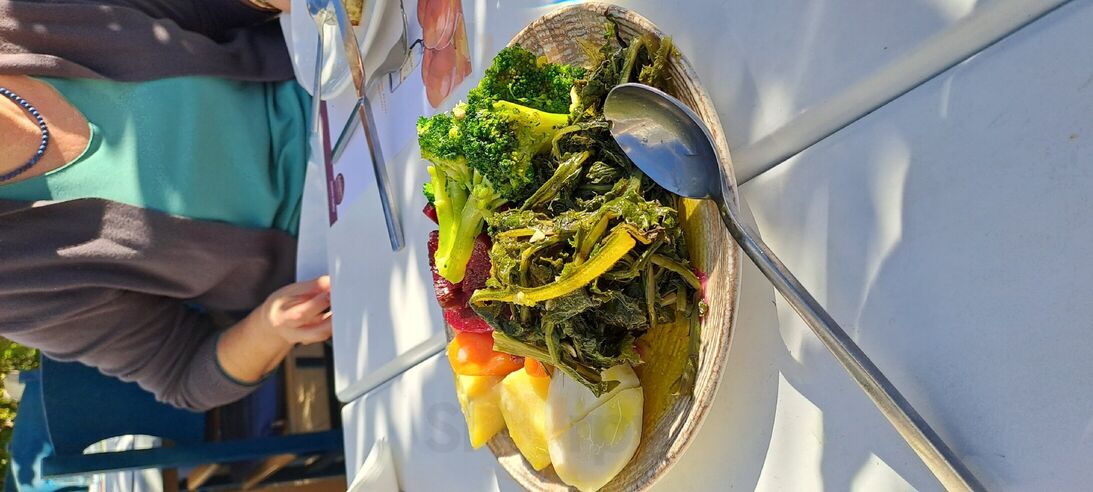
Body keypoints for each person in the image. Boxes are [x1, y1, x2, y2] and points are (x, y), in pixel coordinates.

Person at [0, 0, 331, 411]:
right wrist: (271, 328)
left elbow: (216, 9)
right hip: (346, 231)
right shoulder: (11, 284)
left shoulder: (21, 16)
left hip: (344, 76)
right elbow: (182, 373)